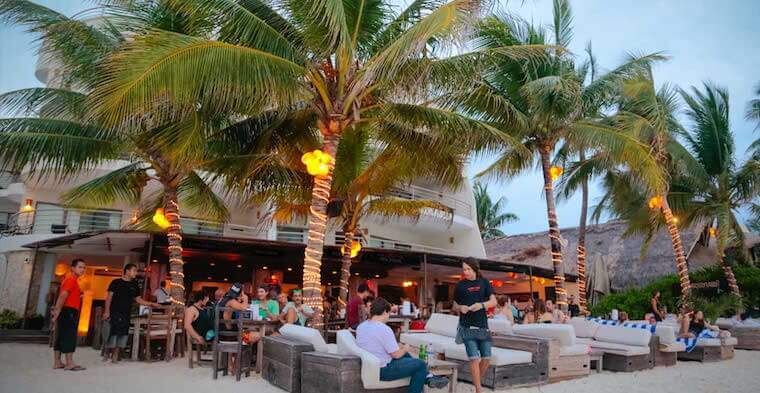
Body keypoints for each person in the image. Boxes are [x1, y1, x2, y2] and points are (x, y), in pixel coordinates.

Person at [356, 298, 448, 393]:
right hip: (383, 370)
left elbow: (378, 345)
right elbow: (396, 355)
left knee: (407, 356)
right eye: (389, 313)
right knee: (420, 364)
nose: (388, 316)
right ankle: (428, 377)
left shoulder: (361, 326)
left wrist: (401, 349)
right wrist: (405, 348)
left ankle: (429, 377)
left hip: (369, 367)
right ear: (384, 312)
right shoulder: (384, 329)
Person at [453, 258, 497, 393]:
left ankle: (475, 381)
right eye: (464, 269)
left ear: (475, 269)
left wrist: (481, 305)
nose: (465, 272)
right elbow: (454, 306)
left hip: (482, 326)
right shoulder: (460, 285)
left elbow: (493, 302)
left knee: (487, 358)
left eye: (468, 269)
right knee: (473, 358)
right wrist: (461, 308)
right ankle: (478, 389)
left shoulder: (484, 282)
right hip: (466, 326)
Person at [103, 263, 159, 363]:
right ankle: (107, 352)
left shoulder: (134, 284)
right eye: (134, 270)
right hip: (114, 311)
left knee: (123, 333)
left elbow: (138, 300)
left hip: (126, 312)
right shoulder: (116, 282)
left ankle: (115, 355)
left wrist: (150, 303)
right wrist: (106, 311)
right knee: (113, 332)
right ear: (127, 271)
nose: (136, 273)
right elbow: (109, 298)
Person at [51, 258, 86, 371]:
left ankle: (57, 362)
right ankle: (69, 363)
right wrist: (57, 310)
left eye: (84, 267)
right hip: (69, 311)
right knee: (69, 335)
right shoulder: (71, 279)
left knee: (61, 335)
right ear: (73, 268)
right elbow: (63, 295)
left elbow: (66, 295)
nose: (82, 269)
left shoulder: (71, 280)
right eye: (80, 267)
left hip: (67, 310)